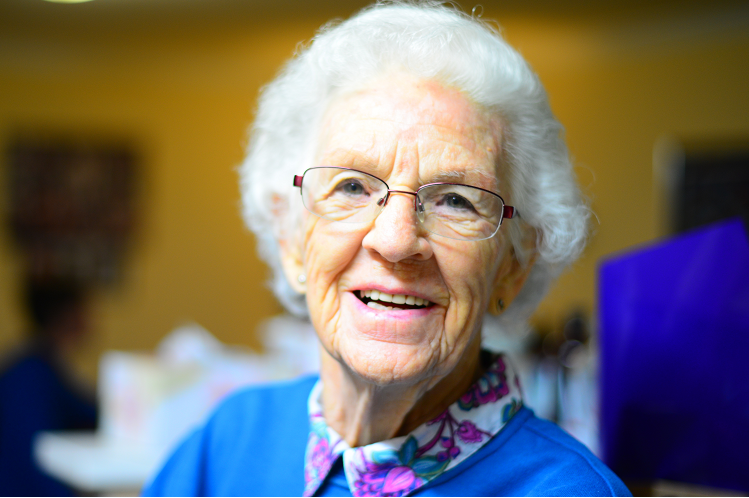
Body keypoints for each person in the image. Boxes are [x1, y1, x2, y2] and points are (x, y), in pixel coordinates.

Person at [143, 2, 630, 496]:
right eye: (352, 187)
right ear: (290, 238)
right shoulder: (232, 441)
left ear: (514, 264)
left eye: (455, 200)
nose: (395, 241)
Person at [0, 279, 97, 496]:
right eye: (84, 311)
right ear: (65, 315)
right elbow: (31, 455)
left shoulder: (47, 365)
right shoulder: (29, 375)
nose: (92, 321)